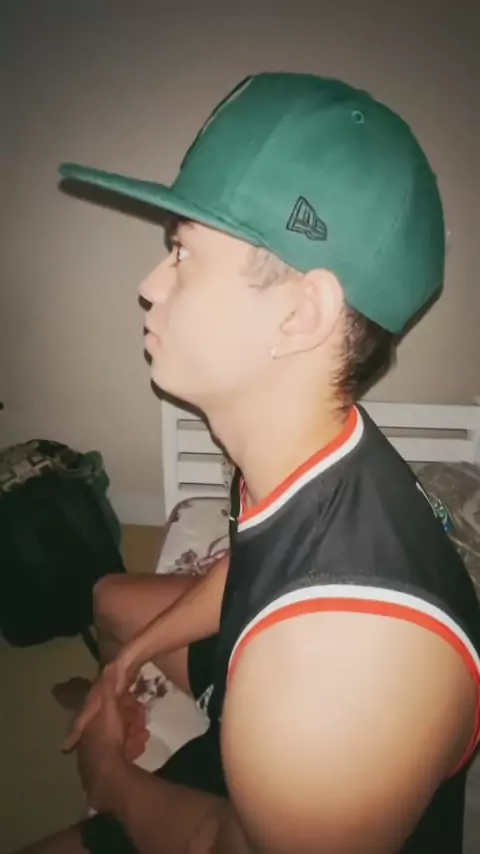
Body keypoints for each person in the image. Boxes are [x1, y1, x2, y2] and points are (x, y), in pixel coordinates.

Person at [21, 72, 480, 854]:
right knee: (108, 602)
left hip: (252, 809)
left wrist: (111, 779)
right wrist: (129, 662)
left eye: (182, 254)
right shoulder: (305, 442)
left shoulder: (334, 687)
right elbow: (259, 559)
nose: (148, 285)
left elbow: (224, 840)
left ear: (300, 315)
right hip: (261, 710)